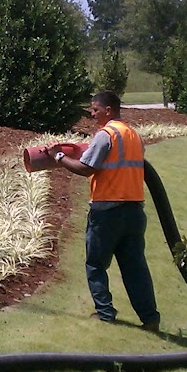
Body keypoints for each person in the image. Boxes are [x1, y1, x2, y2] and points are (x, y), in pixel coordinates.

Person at [49, 91, 161, 332]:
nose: (91, 113)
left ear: (108, 110)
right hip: (134, 211)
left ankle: (105, 314)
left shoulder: (106, 135)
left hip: (107, 213)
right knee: (135, 267)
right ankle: (150, 319)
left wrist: (58, 157)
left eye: (95, 109)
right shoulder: (133, 135)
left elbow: (85, 168)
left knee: (96, 265)